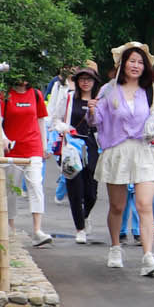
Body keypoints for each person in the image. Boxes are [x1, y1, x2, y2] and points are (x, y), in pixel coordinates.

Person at [91, 42, 154, 276]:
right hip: (117, 150)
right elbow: (96, 121)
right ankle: (115, 247)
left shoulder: (150, 90)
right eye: (132, 61)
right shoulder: (108, 90)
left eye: (140, 62)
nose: (136, 65)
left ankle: (148, 256)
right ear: (122, 64)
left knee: (145, 205)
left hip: (143, 150)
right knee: (118, 206)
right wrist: (92, 110)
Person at [0, 71, 53, 246]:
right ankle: (10, 227)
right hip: (13, 150)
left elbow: (41, 121)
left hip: (33, 147)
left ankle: (37, 230)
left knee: (36, 185)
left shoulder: (36, 94)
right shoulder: (5, 95)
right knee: (11, 190)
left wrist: (44, 146)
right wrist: (3, 138)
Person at [58, 67, 102, 245]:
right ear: (76, 81)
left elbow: (104, 124)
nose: (85, 82)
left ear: (94, 82)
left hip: (92, 146)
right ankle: (80, 228)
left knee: (91, 192)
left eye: (89, 79)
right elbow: (55, 119)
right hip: (71, 146)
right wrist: (65, 129)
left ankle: (85, 216)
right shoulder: (68, 98)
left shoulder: (100, 101)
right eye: (82, 79)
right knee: (75, 189)